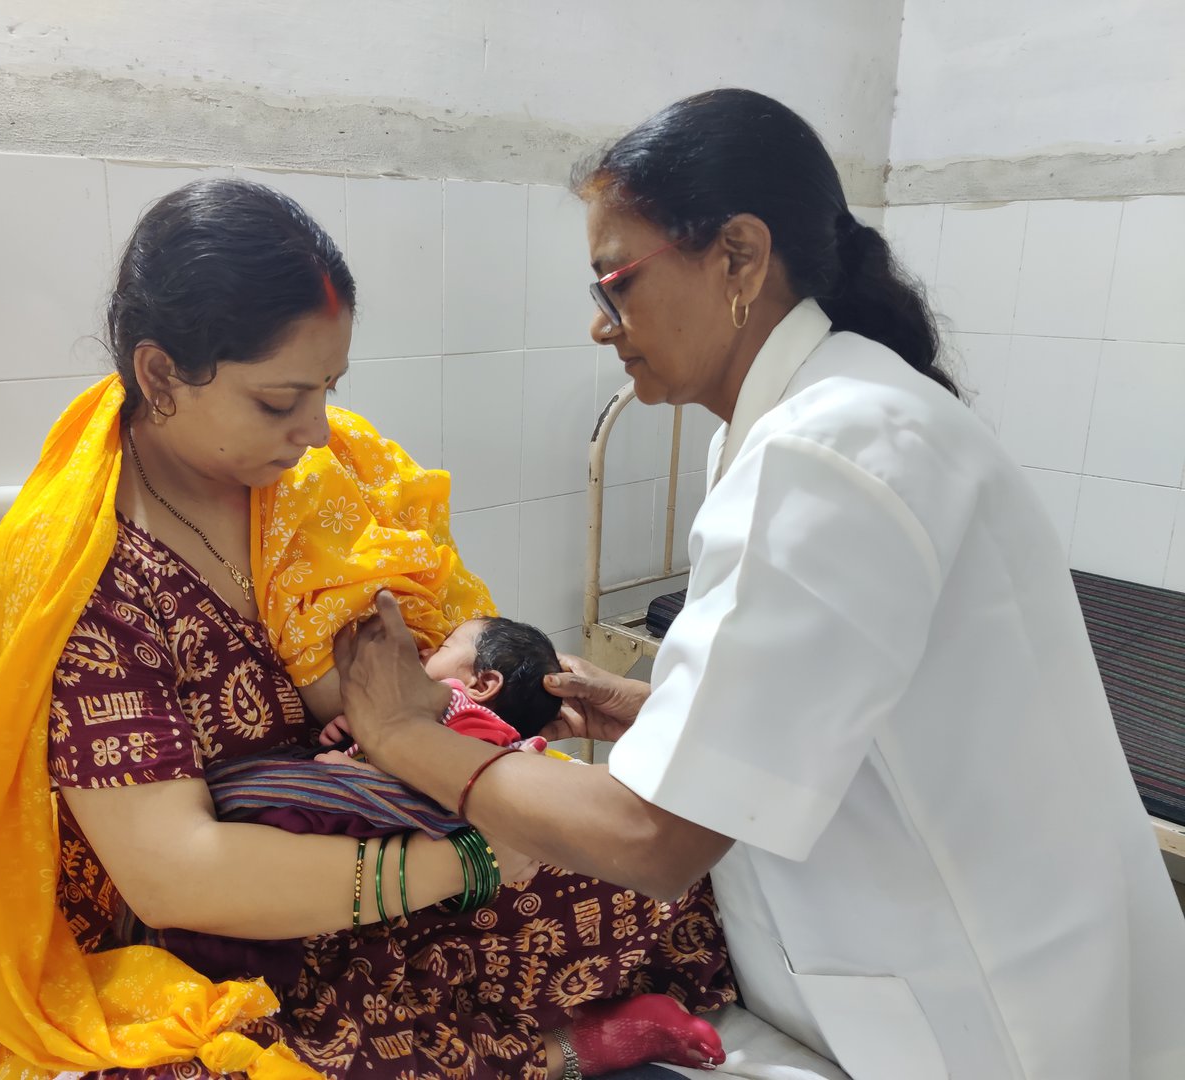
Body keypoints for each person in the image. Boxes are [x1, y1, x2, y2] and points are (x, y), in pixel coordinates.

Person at [329, 89, 1185, 1080]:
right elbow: (848, 705)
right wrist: (649, 711)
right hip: (943, 952)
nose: (605, 328)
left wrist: (402, 736)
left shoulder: (830, 449)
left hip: (985, 998)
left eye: (617, 286)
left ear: (737, 257)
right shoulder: (797, 421)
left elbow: (655, 843)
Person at [0, 177, 734, 1080]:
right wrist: (460, 864)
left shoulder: (323, 474)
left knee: (660, 880)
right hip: (223, 922)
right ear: (160, 376)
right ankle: (555, 1052)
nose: (315, 428)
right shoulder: (89, 581)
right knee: (214, 1061)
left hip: (366, 827)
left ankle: (492, 1034)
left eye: (328, 389)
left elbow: (433, 651)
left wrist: (508, 708)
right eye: (279, 401)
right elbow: (174, 872)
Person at [318, 616, 566, 755]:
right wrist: (358, 726)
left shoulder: (480, 733)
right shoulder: (448, 715)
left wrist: (353, 772)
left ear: (481, 685)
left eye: (444, 646)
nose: (425, 650)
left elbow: (420, 779)